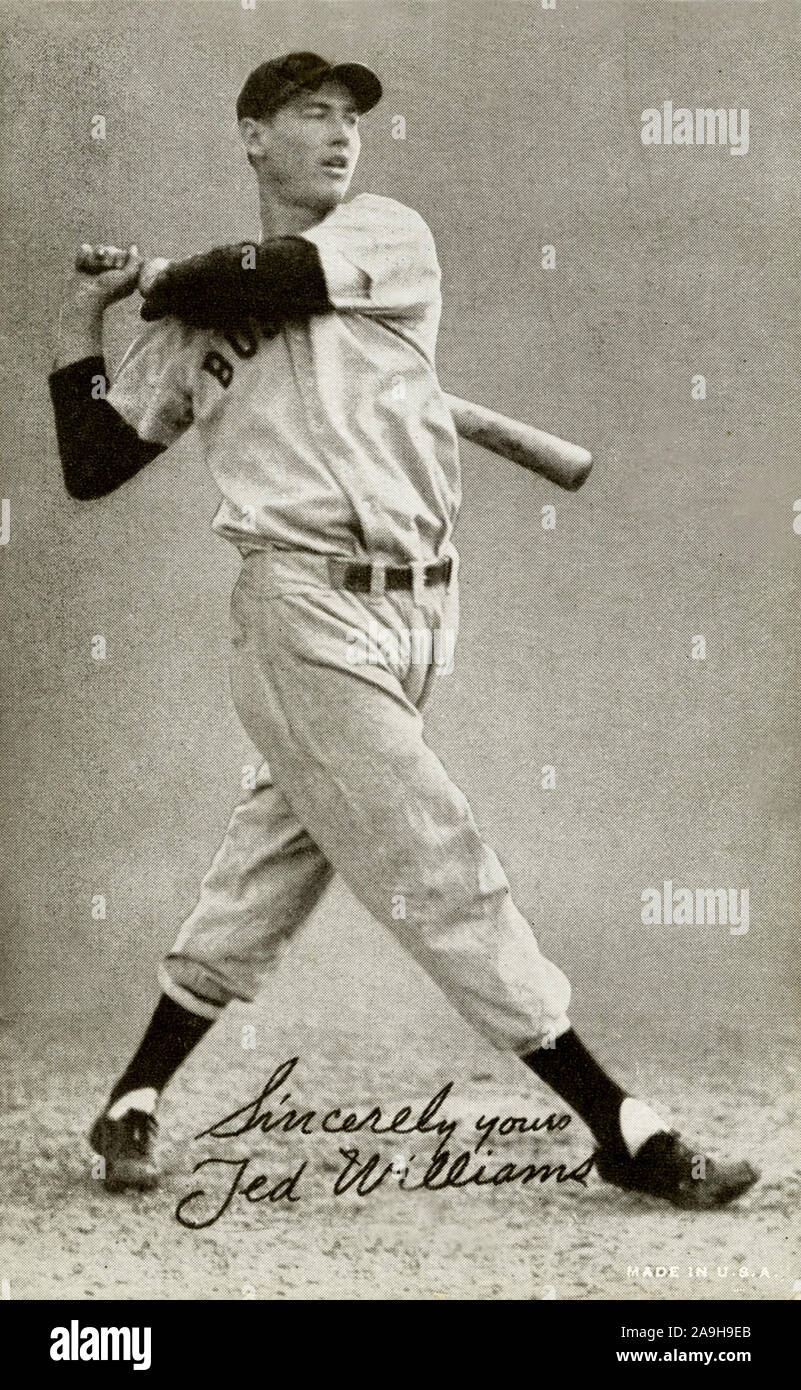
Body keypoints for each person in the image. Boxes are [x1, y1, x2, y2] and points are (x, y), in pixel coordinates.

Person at [48, 51, 757, 1209]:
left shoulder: (387, 235)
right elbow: (91, 465)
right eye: (308, 116)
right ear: (250, 137)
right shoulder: (188, 331)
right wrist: (84, 326)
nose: (338, 136)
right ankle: (622, 1122)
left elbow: (270, 267)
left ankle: (131, 1096)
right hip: (299, 607)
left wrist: (158, 277)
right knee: (437, 858)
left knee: (275, 857)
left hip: (428, 609)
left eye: (348, 119)